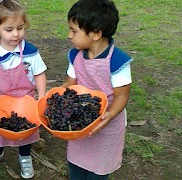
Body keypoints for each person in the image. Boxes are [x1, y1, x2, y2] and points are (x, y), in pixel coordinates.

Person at [0, 0, 47, 178]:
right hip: (1, 105)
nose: (16, 34)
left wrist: (42, 96)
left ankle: (25, 158)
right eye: (9, 29)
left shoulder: (30, 51)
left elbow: (39, 74)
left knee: (26, 132)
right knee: (0, 133)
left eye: (20, 28)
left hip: (27, 103)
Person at [61, 0, 132, 179]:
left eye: (74, 31)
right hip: (80, 120)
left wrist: (110, 113)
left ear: (96, 34)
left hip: (106, 124)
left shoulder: (117, 61)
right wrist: (56, 95)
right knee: (76, 163)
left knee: (98, 170)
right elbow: (70, 82)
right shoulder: (75, 55)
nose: (69, 35)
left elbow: (122, 95)